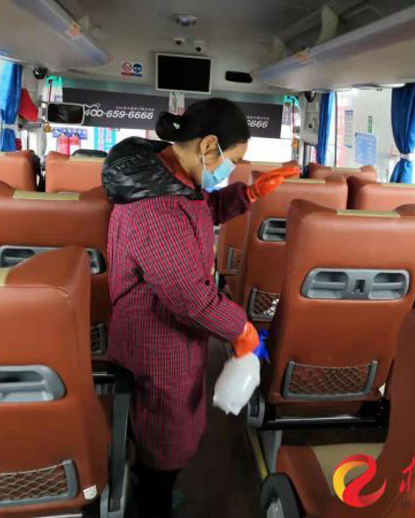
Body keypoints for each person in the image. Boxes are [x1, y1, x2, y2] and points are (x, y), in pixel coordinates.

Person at [102, 98, 296, 518]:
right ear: (209, 145)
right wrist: (242, 328)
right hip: (157, 344)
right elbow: (190, 297)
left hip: (166, 336)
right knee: (162, 439)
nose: (230, 170)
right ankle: (152, 504)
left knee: (159, 430)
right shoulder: (156, 209)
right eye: (233, 161)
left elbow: (200, 210)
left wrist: (248, 194)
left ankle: (153, 487)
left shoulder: (166, 180)